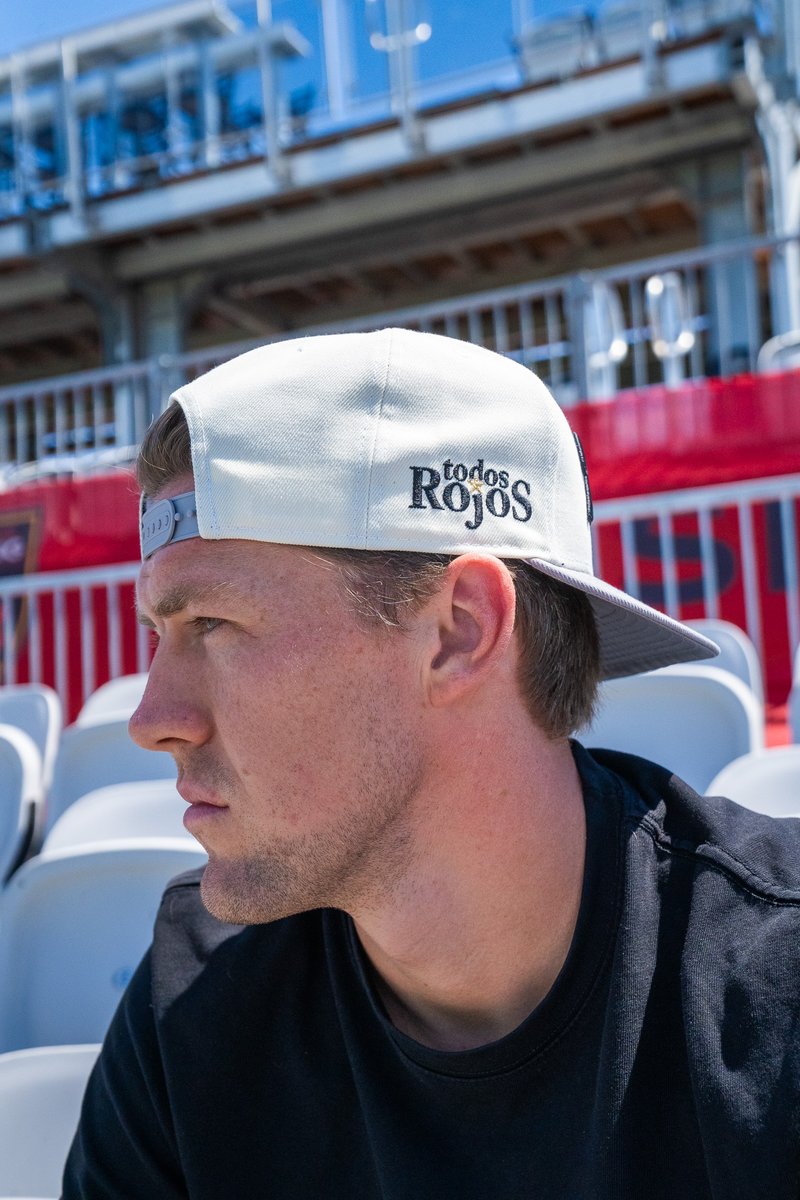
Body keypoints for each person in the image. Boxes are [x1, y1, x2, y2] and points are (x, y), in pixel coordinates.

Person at [63, 328, 800, 1199]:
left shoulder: (778, 982)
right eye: (160, 634)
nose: (152, 721)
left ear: (458, 632)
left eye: (212, 624)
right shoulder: (193, 1004)